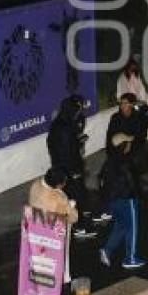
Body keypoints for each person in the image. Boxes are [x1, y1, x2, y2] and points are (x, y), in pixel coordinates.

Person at [99, 134, 144, 269]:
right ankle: (130, 258)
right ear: (123, 145)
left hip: (113, 201)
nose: (130, 145)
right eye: (128, 143)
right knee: (132, 228)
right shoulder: (125, 162)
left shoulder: (109, 161)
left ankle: (107, 250)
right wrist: (136, 196)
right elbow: (131, 182)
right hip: (126, 199)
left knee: (121, 226)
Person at [46, 95, 89, 228]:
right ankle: (78, 225)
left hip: (62, 167)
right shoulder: (64, 128)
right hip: (67, 169)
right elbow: (67, 151)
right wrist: (74, 170)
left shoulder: (60, 124)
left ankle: (77, 218)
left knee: (71, 196)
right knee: (73, 196)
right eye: (77, 110)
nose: (78, 113)